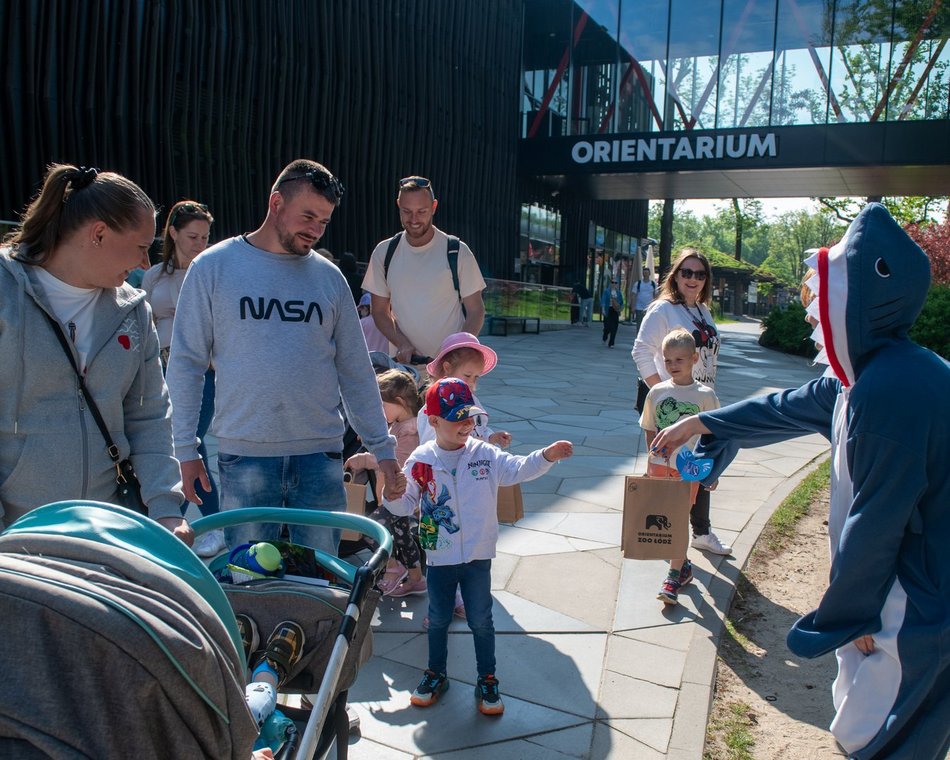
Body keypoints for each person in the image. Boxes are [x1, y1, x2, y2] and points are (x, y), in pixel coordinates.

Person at [651, 204, 950, 760]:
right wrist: (703, 422)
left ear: (860, 299)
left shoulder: (894, 389)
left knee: (884, 737)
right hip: (895, 592)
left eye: (824, 290)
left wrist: (850, 611)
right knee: (866, 723)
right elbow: (780, 408)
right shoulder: (859, 379)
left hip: (916, 598)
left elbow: (878, 518)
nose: (812, 306)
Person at [165, 159, 399, 557]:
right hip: (246, 455)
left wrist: (384, 450)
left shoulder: (329, 278)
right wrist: (184, 449)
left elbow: (356, 371)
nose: (315, 229)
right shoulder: (213, 267)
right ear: (276, 202)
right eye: (307, 215)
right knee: (251, 581)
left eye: (324, 221)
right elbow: (186, 363)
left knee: (322, 581)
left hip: (320, 458)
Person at [0, 164, 191, 543]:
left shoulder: (134, 310)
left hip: (107, 531)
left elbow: (150, 415)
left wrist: (166, 508)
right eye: (141, 247)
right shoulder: (6, 292)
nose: (144, 264)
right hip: (17, 536)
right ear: (99, 233)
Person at [382, 377, 573, 714]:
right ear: (434, 421)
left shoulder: (484, 454)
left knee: (481, 620)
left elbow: (517, 469)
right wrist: (391, 495)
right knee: (438, 619)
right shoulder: (421, 459)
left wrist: (547, 455)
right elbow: (405, 504)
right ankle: (436, 674)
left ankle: (487, 678)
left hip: (478, 558)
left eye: (469, 416)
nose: (467, 424)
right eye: (457, 418)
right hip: (440, 558)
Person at [632, 247, 729, 556]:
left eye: (700, 274)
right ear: (675, 275)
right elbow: (641, 351)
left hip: (700, 399)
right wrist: (664, 393)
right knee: (672, 470)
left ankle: (699, 532)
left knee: (699, 463)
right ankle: (666, 538)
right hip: (672, 406)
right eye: (686, 272)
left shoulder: (702, 310)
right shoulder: (663, 309)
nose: (693, 279)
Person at [142, 200, 224, 557]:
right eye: (193, 236)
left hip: (199, 372)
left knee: (189, 442)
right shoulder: (153, 276)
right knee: (168, 442)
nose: (200, 244)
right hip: (160, 368)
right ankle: (177, 519)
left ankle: (212, 523)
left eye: (205, 237)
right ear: (173, 233)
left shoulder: (210, 273)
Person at [362, 176, 486, 363]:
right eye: (407, 211)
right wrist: (402, 343)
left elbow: (476, 310)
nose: (414, 219)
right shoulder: (384, 252)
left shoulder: (457, 251)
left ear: (434, 207)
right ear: (398, 206)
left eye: (422, 211)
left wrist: (457, 351)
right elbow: (379, 311)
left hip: (448, 368)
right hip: (404, 367)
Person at [639, 329, 720, 605]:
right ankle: (683, 565)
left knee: (677, 519)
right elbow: (650, 428)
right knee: (664, 519)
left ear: (694, 358)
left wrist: (714, 471)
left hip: (690, 471)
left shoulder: (706, 395)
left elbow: (714, 436)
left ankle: (673, 576)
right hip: (660, 469)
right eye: (668, 360)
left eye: (679, 360)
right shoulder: (657, 392)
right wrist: (652, 462)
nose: (673, 366)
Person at [344, 368, 427, 596]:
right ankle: (417, 579)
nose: (378, 413)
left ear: (399, 402)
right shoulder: (400, 426)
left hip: (402, 497)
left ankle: (392, 567)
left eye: (382, 406)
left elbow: (397, 463)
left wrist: (365, 458)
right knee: (403, 537)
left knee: (368, 529)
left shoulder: (410, 432)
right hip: (395, 498)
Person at [418, 332, 512, 450]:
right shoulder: (437, 405)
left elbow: (479, 428)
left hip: (472, 464)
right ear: (447, 368)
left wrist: (491, 437)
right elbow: (430, 443)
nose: (472, 382)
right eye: (467, 375)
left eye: (476, 377)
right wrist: (468, 443)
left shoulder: (472, 400)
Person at [601, 276, 624, 348]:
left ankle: (611, 343)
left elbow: (621, 302)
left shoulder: (619, 292)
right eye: (612, 282)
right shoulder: (606, 291)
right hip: (608, 309)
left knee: (614, 327)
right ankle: (605, 335)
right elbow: (603, 300)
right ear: (610, 283)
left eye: (615, 282)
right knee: (607, 326)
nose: (614, 284)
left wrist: (620, 308)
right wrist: (603, 309)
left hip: (615, 311)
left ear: (617, 284)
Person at [633, 266, 656, 334]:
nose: (645, 274)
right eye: (644, 272)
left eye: (647, 272)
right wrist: (633, 306)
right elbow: (633, 295)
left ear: (649, 274)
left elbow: (656, 296)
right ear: (643, 274)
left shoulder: (653, 284)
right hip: (639, 308)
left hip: (649, 308)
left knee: (648, 325)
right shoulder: (638, 283)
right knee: (639, 325)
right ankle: (638, 339)